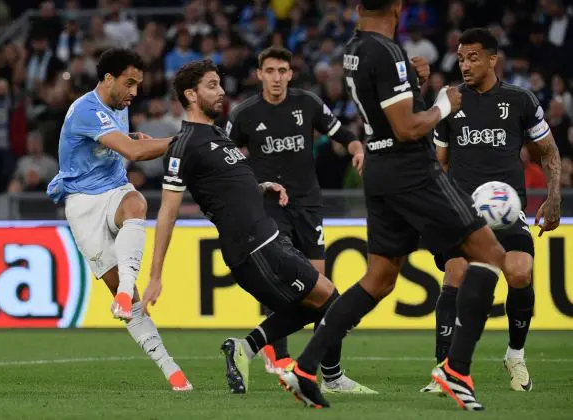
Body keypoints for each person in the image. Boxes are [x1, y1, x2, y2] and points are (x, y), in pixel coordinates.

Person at [279, 0, 521, 410]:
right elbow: (408, 127)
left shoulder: (355, 47)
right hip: (412, 171)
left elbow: (386, 104)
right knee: (491, 256)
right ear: (398, 6)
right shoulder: (388, 52)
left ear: (358, 7)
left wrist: (412, 83)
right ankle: (456, 368)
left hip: (380, 170)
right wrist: (443, 103)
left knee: (380, 277)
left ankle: (304, 367)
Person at [140, 59, 363, 395]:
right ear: (190, 94)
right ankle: (323, 376)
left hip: (268, 238)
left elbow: (228, 186)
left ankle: (245, 350)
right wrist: (155, 275)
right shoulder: (185, 145)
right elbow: (167, 212)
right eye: (212, 86)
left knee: (317, 303)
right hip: (253, 247)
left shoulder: (215, 134)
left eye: (219, 84)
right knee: (331, 301)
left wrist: (263, 187)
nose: (220, 92)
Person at [420, 28, 561, 394]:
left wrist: (554, 195)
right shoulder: (450, 100)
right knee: (456, 272)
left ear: (492, 59)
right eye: (461, 58)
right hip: (462, 213)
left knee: (519, 271)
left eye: (473, 57)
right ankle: (445, 368)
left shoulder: (519, 100)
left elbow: (548, 150)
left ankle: (515, 355)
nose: (464, 65)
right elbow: (438, 163)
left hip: (507, 211)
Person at [226, 46, 371, 394]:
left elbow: (341, 133)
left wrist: (356, 148)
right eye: (270, 71)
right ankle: (294, 361)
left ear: (291, 74)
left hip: (309, 206)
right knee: (302, 288)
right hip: (270, 209)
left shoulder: (306, 104)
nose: (277, 77)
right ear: (260, 74)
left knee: (319, 293)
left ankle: (311, 366)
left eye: (283, 71)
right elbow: (226, 159)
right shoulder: (245, 114)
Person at [46, 48, 192, 392]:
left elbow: (127, 146)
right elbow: (135, 153)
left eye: (139, 85)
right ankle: (171, 369)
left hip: (114, 190)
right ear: (108, 79)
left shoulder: (118, 106)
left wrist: (136, 140)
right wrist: (185, 139)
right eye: (130, 83)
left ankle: (124, 293)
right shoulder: (86, 110)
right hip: (82, 205)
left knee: (136, 203)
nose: (135, 92)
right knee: (131, 298)